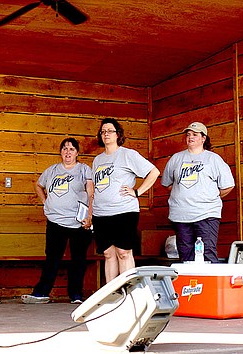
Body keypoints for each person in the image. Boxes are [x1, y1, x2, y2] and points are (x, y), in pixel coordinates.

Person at [22, 138, 93, 305]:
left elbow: (91, 192)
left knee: (78, 259)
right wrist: (45, 202)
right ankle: (41, 293)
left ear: (77, 153)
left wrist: (90, 215)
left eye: (71, 149)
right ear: (60, 152)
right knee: (52, 258)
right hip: (55, 220)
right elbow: (38, 185)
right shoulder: (52, 170)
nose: (68, 152)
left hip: (78, 222)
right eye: (65, 149)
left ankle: (75, 295)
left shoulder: (84, 169)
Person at [91, 118, 159, 283]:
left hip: (124, 212)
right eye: (103, 131)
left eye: (110, 131)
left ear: (118, 134)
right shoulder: (97, 160)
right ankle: (111, 294)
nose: (106, 134)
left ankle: (129, 292)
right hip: (101, 214)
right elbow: (94, 188)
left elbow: (154, 172)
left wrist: (137, 192)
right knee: (108, 253)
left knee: (123, 252)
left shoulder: (128, 154)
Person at [161, 122, 235, 263]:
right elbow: (167, 184)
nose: (190, 137)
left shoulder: (213, 159)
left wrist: (209, 196)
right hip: (181, 215)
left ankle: (210, 285)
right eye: (188, 135)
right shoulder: (176, 158)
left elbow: (228, 186)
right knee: (185, 254)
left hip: (206, 214)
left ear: (203, 138)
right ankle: (190, 285)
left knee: (207, 252)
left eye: (195, 135)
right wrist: (182, 194)